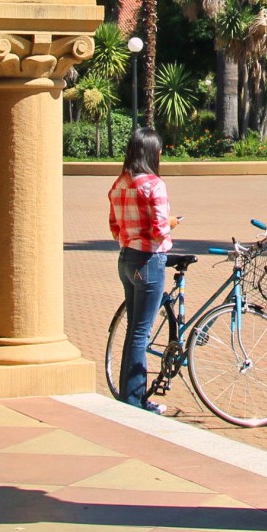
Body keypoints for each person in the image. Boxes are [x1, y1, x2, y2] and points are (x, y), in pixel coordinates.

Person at [108, 126, 176, 413]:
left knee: (134, 330)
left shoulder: (119, 183)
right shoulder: (154, 185)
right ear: (152, 153)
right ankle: (135, 401)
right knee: (141, 333)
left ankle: (129, 395)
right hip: (149, 260)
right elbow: (160, 230)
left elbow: (114, 227)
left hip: (126, 258)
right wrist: (172, 223)